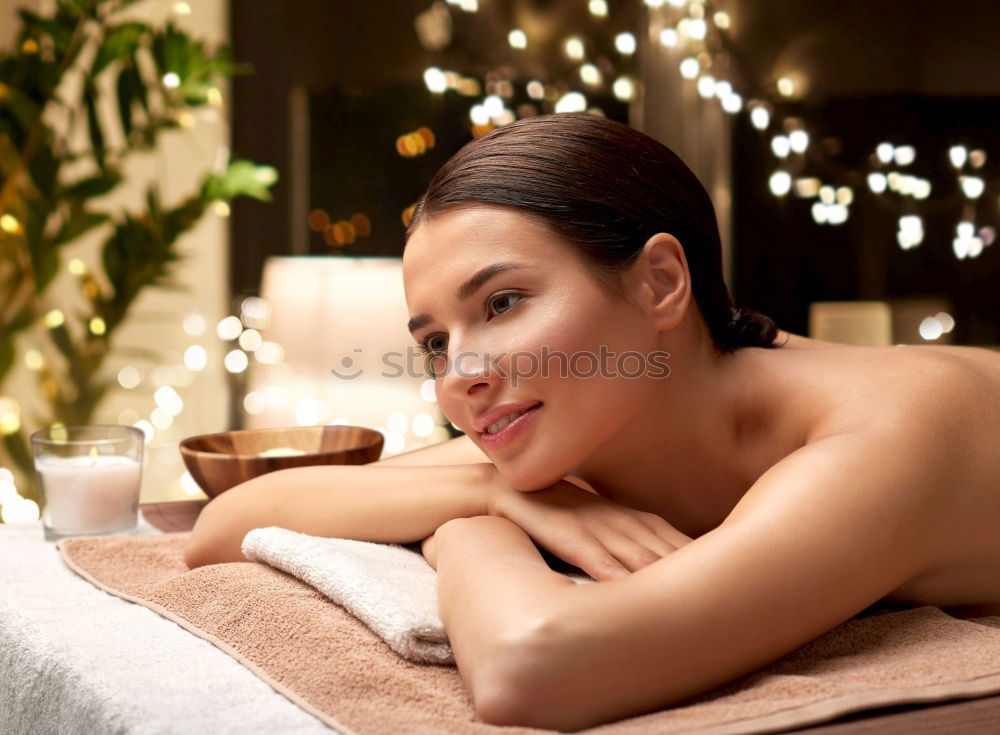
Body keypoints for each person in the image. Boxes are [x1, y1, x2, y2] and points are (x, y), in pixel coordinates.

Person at [186, 112, 1000, 731]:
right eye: (435, 341)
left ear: (658, 282)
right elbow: (227, 525)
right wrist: (500, 497)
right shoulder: (594, 419)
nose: (461, 375)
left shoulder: (883, 432)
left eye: (502, 303)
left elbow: (532, 667)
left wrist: (465, 528)